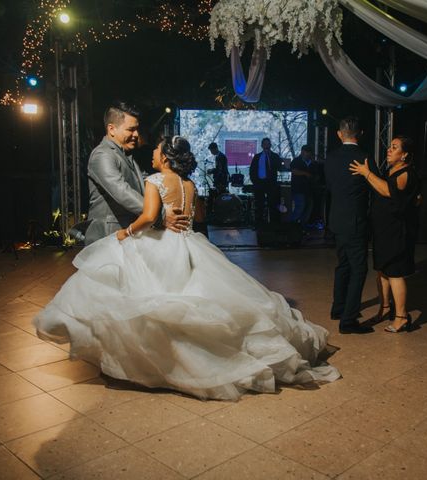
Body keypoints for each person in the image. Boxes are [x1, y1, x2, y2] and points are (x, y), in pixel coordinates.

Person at [34, 135, 339, 401]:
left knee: (157, 298)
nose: (151, 153)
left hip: (164, 243)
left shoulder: (154, 181)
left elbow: (149, 215)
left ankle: (167, 362)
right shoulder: (190, 184)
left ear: (165, 157)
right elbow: (200, 217)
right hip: (192, 243)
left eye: (155, 150)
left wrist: (126, 233)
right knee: (199, 296)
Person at [84, 101, 187, 245]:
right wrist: (160, 214)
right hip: (108, 235)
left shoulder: (127, 155)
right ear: (112, 129)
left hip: (127, 235)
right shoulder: (102, 155)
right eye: (131, 130)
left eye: (137, 129)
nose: (136, 135)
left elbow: (145, 185)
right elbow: (122, 191)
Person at [349, 135, 420, 333]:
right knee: (383, 271)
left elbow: (387, 191)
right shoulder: (393, 169)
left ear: (404, 154)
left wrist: (366, 173)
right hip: (384, 230)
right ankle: (385, 307)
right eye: (390, 146)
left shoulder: (406, 173)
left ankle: (402, 317)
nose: (389, 149)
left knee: (395, 273)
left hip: (397, 232)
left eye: (395, 147)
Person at [325, 117, 377, 334]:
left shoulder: (331, 158)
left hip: (336, 220)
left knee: (343, 265)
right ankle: (348, 320)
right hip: (356, 221)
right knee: (359, 269)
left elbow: (330, 187)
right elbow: (375, 186)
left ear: (340, 134)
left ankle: (338, 309)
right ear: (360, 133)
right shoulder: (364, 158)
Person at [249, 137, 282, 224]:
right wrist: (255, 182)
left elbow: (280, 167)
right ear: (262, 146)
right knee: (259, 204)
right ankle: (259, 223)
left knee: (272, 204)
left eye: (268, 144)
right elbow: (252, 171)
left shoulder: (275, 156)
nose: (266, 146)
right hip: (259, 183)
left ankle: (273, 224)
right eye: (265, 144)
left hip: (271, 184)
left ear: (270, 145)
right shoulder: (257, 157)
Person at [290, 145, 319, 226]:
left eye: (309, 153)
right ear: (302, 152)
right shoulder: (296, 161)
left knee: (308, 209)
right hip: (298, 189)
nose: (308, 155)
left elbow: (316, 175)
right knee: (300, 208)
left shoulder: (313, 163)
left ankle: (302, 226)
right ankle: (291, 225)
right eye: (307, 153)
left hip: (309, 189)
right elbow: (294, 171)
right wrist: (305, 173)